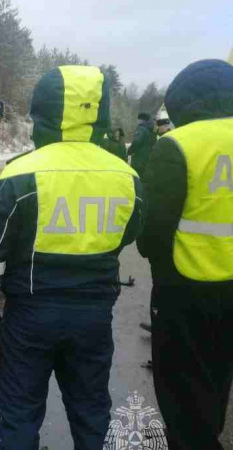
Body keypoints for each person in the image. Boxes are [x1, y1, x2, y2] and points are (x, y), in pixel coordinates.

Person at [0, 66, 144, 449]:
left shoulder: (19, 174)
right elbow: (129, 234)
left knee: (19, 416)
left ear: (40, 113)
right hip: (94, 317)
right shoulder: (127, 177)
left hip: (30, 318)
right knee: (92, 411)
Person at [137, 59, 233, 450]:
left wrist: (159, 265)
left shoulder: (177, 145)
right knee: (219, 374)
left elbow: (153, 229)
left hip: (186, 290)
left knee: (182, 386)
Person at [129, 112, 157, 179]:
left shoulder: (141, 128)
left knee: (136, 178)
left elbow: (136, 141)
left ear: (141, 120)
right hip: (148, 160)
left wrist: (130, 150)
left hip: (139, 160)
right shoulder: (151, 130)